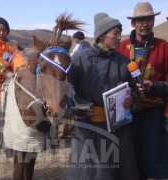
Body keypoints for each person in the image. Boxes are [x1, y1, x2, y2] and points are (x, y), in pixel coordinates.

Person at [67, 12, 140, 180]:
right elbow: (68, 90)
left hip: (119, 129)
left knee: (121, 173)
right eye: (115, 33)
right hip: (90, 129)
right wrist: (81, 107)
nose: (119, 37)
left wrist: (133, 99)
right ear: (102, 35)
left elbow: (134, 89)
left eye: (119, 33)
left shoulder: (124, 61)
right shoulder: (80, 59)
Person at [118, 2, 168, 179]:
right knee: (130, 161)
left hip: (154, 114)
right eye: (140, 20)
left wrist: (154, 86)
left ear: (154, 21)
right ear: (133, 24)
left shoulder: (164, 47)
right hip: (127, 113)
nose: (144, 23)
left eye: (148, 19)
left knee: (153, 161)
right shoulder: (121, 47)